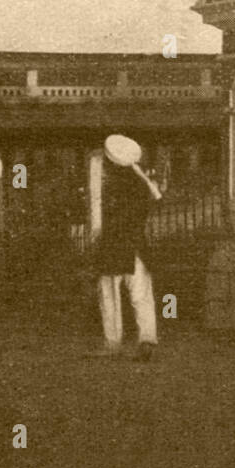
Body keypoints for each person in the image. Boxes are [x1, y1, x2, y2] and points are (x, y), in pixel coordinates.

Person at [93, 134, 162, 361]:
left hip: (114, 246)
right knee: (141, 295)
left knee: (110, 295)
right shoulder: (141, 184)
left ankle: (113, 341)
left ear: (111, 161)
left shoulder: (110, 185)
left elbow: (103, 219)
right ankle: (147, 339)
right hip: (138, 246)